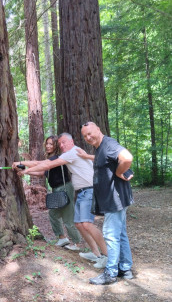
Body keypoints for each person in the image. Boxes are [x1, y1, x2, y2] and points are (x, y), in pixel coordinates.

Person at [13, 133, 108, 269]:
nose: (61, 145)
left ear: (71, 141)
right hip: (81, 191)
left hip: (88, 189)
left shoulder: (72, 152)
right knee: (79, 224)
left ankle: (106, 256)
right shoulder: (66, 154)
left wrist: (22, 164)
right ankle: (96, 253)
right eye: (60, 143)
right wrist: (26, 171)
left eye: (63, 142)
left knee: (86, 223)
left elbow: (44, 165)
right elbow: (43, 166)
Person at [80, 122, 134, 285]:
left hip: (114, 199)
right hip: (115, 198)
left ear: (98, 129)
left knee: (111, 235)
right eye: (85, 136)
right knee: (120, 233)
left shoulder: (108, 144)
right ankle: (125, 268)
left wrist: (119, 172)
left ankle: (110, 273)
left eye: (90, 133)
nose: (88, 137)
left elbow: (127, 158)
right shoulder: (100, 148)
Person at [14, 135, 81, 250]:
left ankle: (76, 243)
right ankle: (62, 238)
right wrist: (25, 172)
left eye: (51, 144)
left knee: (67, 217)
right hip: (56, 189)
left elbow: (37, 164)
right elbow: (42, 173)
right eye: (47, 143)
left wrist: (21, 163)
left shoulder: (57, 157)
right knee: (53, 214)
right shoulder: (50, 158)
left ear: (56, 146)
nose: (48, 146)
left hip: (64, 188)